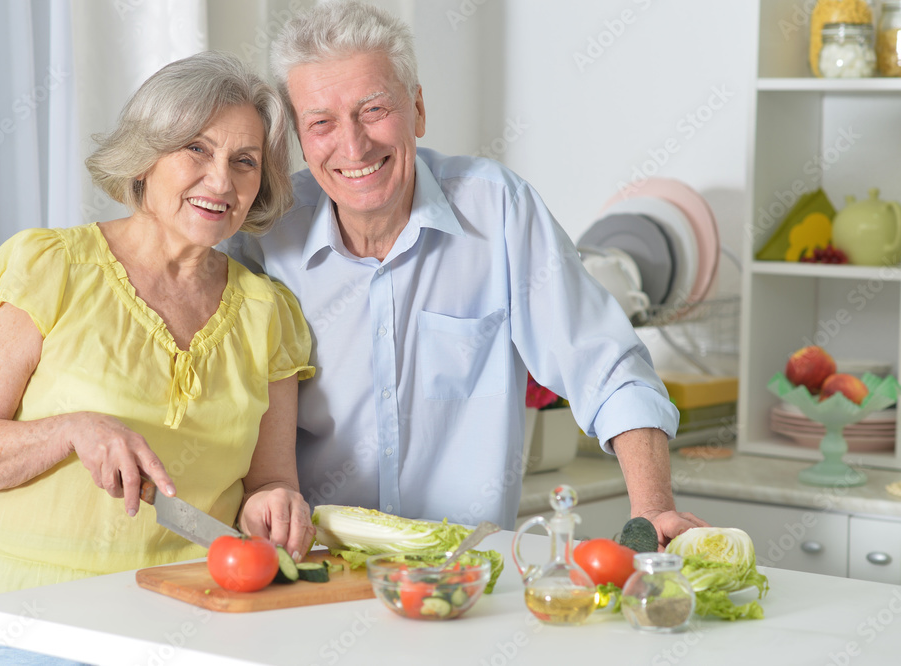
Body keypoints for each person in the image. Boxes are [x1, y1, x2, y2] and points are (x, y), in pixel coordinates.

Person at [223, 1, 708, 543]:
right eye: (321, 123)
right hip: (313, 569)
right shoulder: (264, 236)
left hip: (467, 575)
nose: (354, 145)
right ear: (298, 138)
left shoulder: (496, 209)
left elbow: (606, 365)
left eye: (374, 109)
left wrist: (655, 509)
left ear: (418, 108)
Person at [0, 51, 314, 664]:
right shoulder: (47, 267)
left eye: (245, 163)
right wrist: (70, 430)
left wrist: (272, 503)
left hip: (202, 617)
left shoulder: (268, 313)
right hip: (46, 619)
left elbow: (269, 482)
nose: (221, 181)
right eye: (196, 148)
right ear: (145, 156)